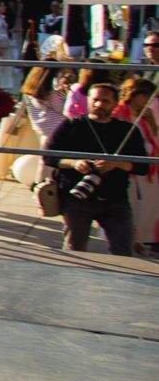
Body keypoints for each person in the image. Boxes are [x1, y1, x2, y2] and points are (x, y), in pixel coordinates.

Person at [44, 81, 140, 255]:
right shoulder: (70, 126)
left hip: (115, 198)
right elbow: (49, 156)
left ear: (115, 103)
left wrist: (116, 163)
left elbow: (141, 166)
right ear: (87, 100)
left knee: (123, 250)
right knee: (75, 251)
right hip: (76, 197)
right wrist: (74, 163)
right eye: (95, 99)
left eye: (105, 101)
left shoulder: (127, 130)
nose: (99, 104)